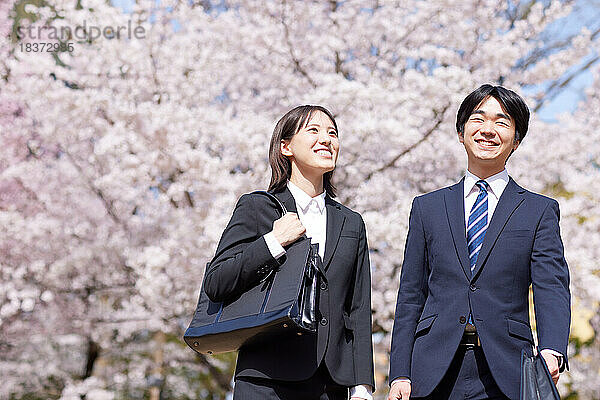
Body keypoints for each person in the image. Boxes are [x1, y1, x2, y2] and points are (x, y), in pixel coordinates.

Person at [387, 85, 570, 400]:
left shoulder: (538, 211)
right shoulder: (427, 208)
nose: (488, 129)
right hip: (432, 369)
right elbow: (411, 296)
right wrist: (400, 373)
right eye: (478, 119)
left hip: (508, 370)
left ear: (516, 140)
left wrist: (552, 349)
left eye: (502, 122)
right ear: (461, 133)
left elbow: (550, 286)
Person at [204, 105, 375, 400]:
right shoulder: (257, 207)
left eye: (333, 133)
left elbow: (357, 308)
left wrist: (361, 386)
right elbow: (217, 281)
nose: (327, 139)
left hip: (331, 384)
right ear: (286, 147)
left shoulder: (351, 222)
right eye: (314, 131)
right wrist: (272, 241)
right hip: (265, 380)